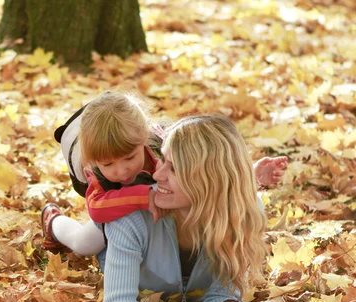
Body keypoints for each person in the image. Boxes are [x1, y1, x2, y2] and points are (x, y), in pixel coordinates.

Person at [101, 114, 268, 302]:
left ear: (210, 179)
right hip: (102, 235)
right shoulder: (131, 216)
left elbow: (221, 292)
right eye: (163, 161)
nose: (158, 175)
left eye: (174, 168)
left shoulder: (243, 212)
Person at [42, 91, 287, 257]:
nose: (121, 171)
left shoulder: (162, 147)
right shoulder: (95, 170)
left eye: (129, 158)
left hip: (162, 213)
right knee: (86, 244)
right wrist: (147, 196)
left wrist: (250, 177)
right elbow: (97, 208)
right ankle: (54, 223)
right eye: (109, 165)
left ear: (142, 140)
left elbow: (204, 174)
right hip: (117, 211)